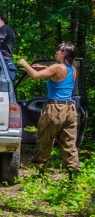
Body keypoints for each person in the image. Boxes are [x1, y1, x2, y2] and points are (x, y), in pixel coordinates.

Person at [18, 44, 80, 178]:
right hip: (70, 109)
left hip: (55, 108)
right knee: (69, 142)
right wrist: (44, 67)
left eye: (58, 50)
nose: (56, 52)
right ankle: (73, 173)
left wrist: (24, 64)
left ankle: (39, 172)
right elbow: (58, 75)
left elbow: (35, 75)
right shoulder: (73, 69)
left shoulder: (56, 67)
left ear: (63, 54)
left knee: (44, 140)